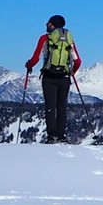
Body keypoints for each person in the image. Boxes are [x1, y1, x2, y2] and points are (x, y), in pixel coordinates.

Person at [25, 15, 82, 144]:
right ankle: (62, 136)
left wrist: (28, 65)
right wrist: (72, 72)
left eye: (48, 23)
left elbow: (35, 58)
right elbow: (78, 61)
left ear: (52, 25)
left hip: (49, 77)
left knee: (50, 107)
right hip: (64, 78)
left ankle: (52, 137)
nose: (46, 25)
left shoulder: (45, 39)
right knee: (61, 107)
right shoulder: (69, 40)